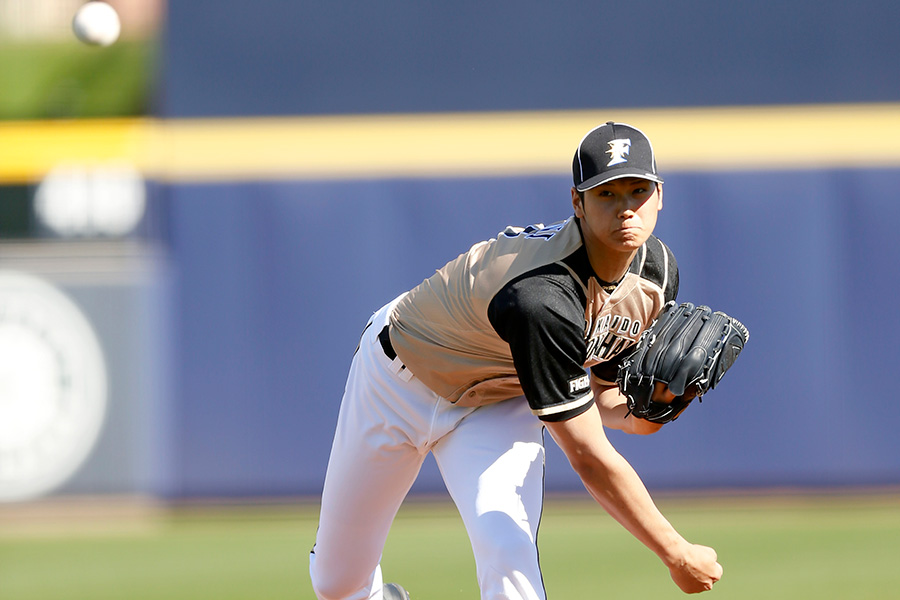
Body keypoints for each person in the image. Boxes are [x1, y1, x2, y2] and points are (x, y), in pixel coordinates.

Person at [309, 122, 723, 600]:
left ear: (659, 195)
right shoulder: (541, 298)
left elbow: (606, 398)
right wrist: (675, 552)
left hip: (499, 400)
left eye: (638, 190)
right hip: (397, 382)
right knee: (338, 585)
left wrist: (656, 408)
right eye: (606, 193)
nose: (626, 207)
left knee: (509, 554)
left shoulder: (656, 274)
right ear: (577, 202)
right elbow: (588, 456)